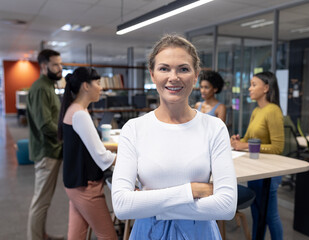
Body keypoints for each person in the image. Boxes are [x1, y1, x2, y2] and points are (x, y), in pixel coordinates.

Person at [111, 34, 237, 239]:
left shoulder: (214, 127)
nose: (174, 77)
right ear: (152, 74)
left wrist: (147, 204)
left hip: (199, 233)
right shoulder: (134, 129)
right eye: (164, 68)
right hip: (149, 234)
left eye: (183, 69)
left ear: (196, 76)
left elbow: (226, 206)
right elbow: (122, 206)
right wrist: (191, 191)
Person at [57, 67, 117, 240]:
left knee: (76, 235)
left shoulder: (75, 110)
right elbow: (102, 157)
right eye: (98, 83)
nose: (101, 88)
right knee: (108, 236)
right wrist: (132, 161)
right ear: (86, 86)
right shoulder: (80, 114)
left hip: (74, 184)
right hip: (85, 187)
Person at [230, 71, 284, 240]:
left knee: (270, 215)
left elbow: (277, 147)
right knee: (256, 212)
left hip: (269, 171)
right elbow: (249, 139)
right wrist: (238, 141)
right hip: (255, 168)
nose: (250, 88)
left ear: (266, 88)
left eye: (254, 84)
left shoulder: (273, 110)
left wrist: (245, 145)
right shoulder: (257, 111)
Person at [26, 49, 64, 240]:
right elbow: (45, 124)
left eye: (60, 64)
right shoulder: (41, 88)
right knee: (40, 201)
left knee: (44, 200)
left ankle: (41, 235)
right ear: (43, 66)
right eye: (55, 64)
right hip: (46, 152)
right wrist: (65, 135)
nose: (60, 68)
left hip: (51, 150)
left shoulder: (48, 86)